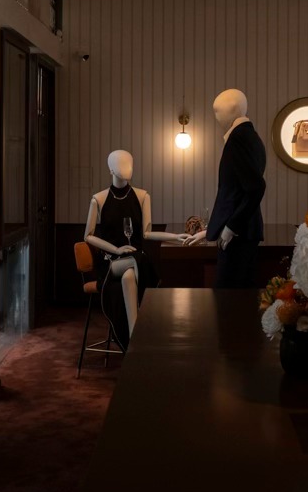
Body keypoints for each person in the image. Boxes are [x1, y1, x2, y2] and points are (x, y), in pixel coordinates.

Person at [84, 150, 190, 348]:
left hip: (133, 260)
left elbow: (147, 234)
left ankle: (134, 338)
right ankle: (138, 338)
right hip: (110, 261)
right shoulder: (98, 199)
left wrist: (176, 237)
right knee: (135, 261)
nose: (127, 167)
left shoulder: (142, 196)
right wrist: (116, 250)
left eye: (129, 162)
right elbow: (87, 236)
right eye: (120, 163)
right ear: (111, 169)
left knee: (129, 275)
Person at [185, 89, 267, 288]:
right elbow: (237, 193)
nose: (216, 116)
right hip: (243, 232)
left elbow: (255, 188)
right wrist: (211, 230)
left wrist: (231, 228)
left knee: (227, 297)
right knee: (238, 295)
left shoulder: (238, 138)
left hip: (238, 236)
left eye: (217, 111)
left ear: (231, 110)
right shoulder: (252, 137)